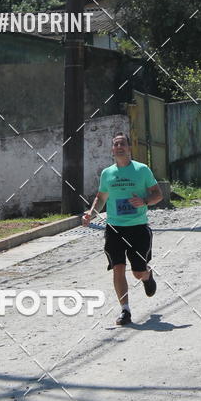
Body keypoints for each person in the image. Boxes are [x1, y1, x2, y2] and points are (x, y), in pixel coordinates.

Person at [83, 132, 163, 325]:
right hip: (114, 228)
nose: (119, 147)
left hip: (138, 228)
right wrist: (91, 213)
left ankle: (147, 275)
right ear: (112, 149)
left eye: (122, 144)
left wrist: (144, 201)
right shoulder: (107, 173)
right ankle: (125, 311)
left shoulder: (142, 170)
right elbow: (101, 197)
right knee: (118, 268)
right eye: (116, 144)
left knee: (137, 272)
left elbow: (158, 194)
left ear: (129, 148)